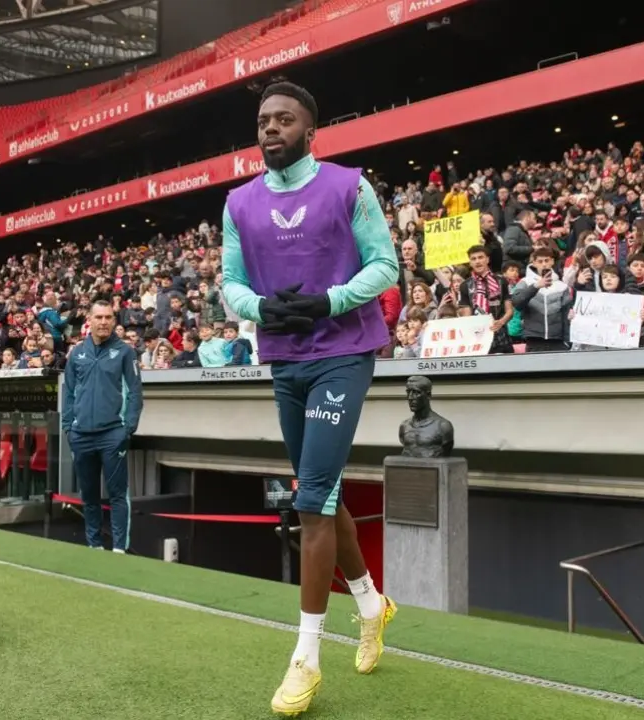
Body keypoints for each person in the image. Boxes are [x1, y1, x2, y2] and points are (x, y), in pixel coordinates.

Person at [220, 81, 399, 716]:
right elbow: (230, 285)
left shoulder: (350, 187)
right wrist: (261, 308)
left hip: (343, 353)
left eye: (284, 119)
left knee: (311, 498)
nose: (271, 128)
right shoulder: (238, 203)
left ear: (310, 130)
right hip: (285, 358)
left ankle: (306, 657)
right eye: (264, 120)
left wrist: (330, 301)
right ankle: (371, 604)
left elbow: (386, 266)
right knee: (322, 493)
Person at [59, 300, 143, 554]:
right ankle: (93, 545)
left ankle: (119, 549)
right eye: (99, 317)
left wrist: (127, 428)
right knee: (89, 495)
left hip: (112, 434)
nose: (103, 322)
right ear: (90, 320)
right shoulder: (77, 353)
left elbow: (135, 392)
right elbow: (68, 391)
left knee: (118, 494)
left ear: (114, 321)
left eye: (108, 317)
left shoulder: (125, 352)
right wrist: (68, 427)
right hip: (81, 435)